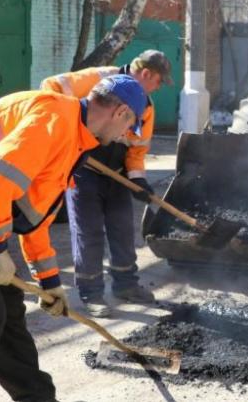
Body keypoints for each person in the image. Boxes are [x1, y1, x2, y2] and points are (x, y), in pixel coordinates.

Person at [0, 75, 148, 401]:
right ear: (120, 113)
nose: (123, 138)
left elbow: (33, 218)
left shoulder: (74, 138)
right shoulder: (53, 120)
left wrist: (49, 283)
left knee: (7, 311)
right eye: (129, 127)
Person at [40, 50, 171, 317]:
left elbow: (137, 148)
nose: (158, 88)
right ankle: (92, 294)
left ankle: (126, 286)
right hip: (82, 169)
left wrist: (138, 180)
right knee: (88, 233)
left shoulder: (145, 106)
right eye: (159, 82)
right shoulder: (101, 79)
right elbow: (50, 88)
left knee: (122, 228)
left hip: (117, 172)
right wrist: (71, 129)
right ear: (147, 74)